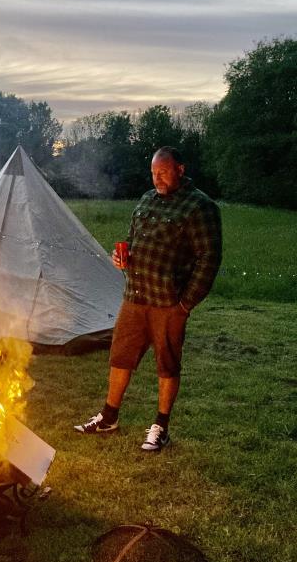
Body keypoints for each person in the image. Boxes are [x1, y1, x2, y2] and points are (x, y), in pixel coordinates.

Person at [74, 146, 222, 451]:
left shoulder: (199, 207)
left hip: (169, 302)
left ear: (180, 169)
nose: (158, 179)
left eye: (163, 172)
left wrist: (185, 305)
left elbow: (209, 258)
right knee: (120, 357)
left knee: (167, 364)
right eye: (154, 173)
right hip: (135, 296)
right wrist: (121, 257)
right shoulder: (145, 200)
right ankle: (109, 416)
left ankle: (161, 427)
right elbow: (132, 241)